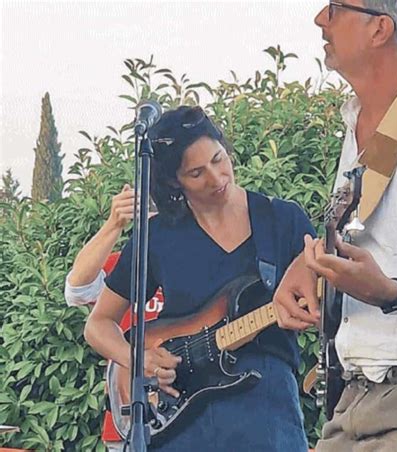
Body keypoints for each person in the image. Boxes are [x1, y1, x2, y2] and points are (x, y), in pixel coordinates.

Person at [274, 1, 397, 451]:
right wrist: (311, 265)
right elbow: (368, 228)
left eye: (336, 8)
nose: (320, 18)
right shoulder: (380, 120)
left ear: (380, 29)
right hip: (360, 393)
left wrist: (393, 291)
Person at [84, 105, 316, 451]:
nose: (217, 177)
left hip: (265, 407)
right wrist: (138, 359)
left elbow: (326, 303)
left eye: (219, 159)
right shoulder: (157, 237)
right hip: (180, 416)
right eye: (196, 173)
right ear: (172, 181)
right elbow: (98, 324)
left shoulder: (282, 219)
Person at [65, 185, 163, 451]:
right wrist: (114, 224)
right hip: (127, 418)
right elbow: (76, 289)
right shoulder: (126, 267)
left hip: (189, 414)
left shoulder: (198, 264)